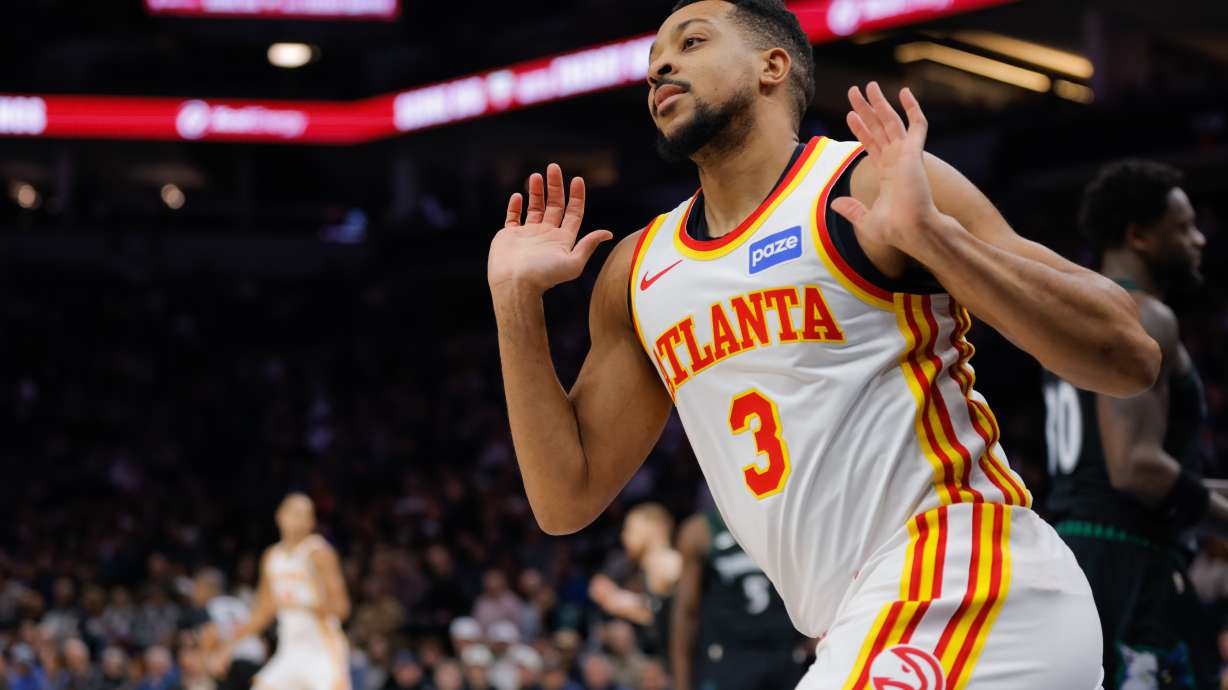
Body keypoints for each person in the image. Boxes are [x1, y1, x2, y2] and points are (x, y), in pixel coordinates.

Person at [487, 0, 1162, 686]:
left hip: (966, 577)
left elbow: (1129, 352)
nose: (660, 66)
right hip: (861, 619)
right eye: (653, 59)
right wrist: (514, 305)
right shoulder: (639, 269)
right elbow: (565, 499)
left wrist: (937, 241)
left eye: (691, 43)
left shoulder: (867, 183)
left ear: (772, 66)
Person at [1043, 159, 1217, 689]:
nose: (1199, 240)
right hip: (1131, 563)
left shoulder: (1068, 314)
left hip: (1074, 553)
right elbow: (1134, 467)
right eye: (1183, 227)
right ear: (1139, 236)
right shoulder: (1142, 316)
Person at [226, 493, 351, 690]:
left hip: (321, 649)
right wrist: (229, 646)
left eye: (304, 514)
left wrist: (303, 605)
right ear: (279, 516)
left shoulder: (319, 552)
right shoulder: (271, 556)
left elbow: (342, 608)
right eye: (293, 512)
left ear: (311, 522)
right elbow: (264, 609)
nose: (297, 519)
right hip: (289, 649)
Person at [671, 511, 804, 690]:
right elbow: (687, 611)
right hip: (731, 656)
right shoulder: (701, 531)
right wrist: (681, 683)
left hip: (785, 651)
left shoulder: (785, 519)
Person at [589, 504, 681, 658]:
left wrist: (634, 606)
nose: (624, 536)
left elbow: (675, 617)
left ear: (652, 528)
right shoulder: (637, 565)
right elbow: (598, 587)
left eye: (630, 529)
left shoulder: (669, 563)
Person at [186, 568, 265, 690]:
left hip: (229, 662)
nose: (194, 593)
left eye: (197, 588)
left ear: (205, 588)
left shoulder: (210, 606)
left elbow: (210, 634)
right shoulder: (238, 603)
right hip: (256, 659)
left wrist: (203, 668)